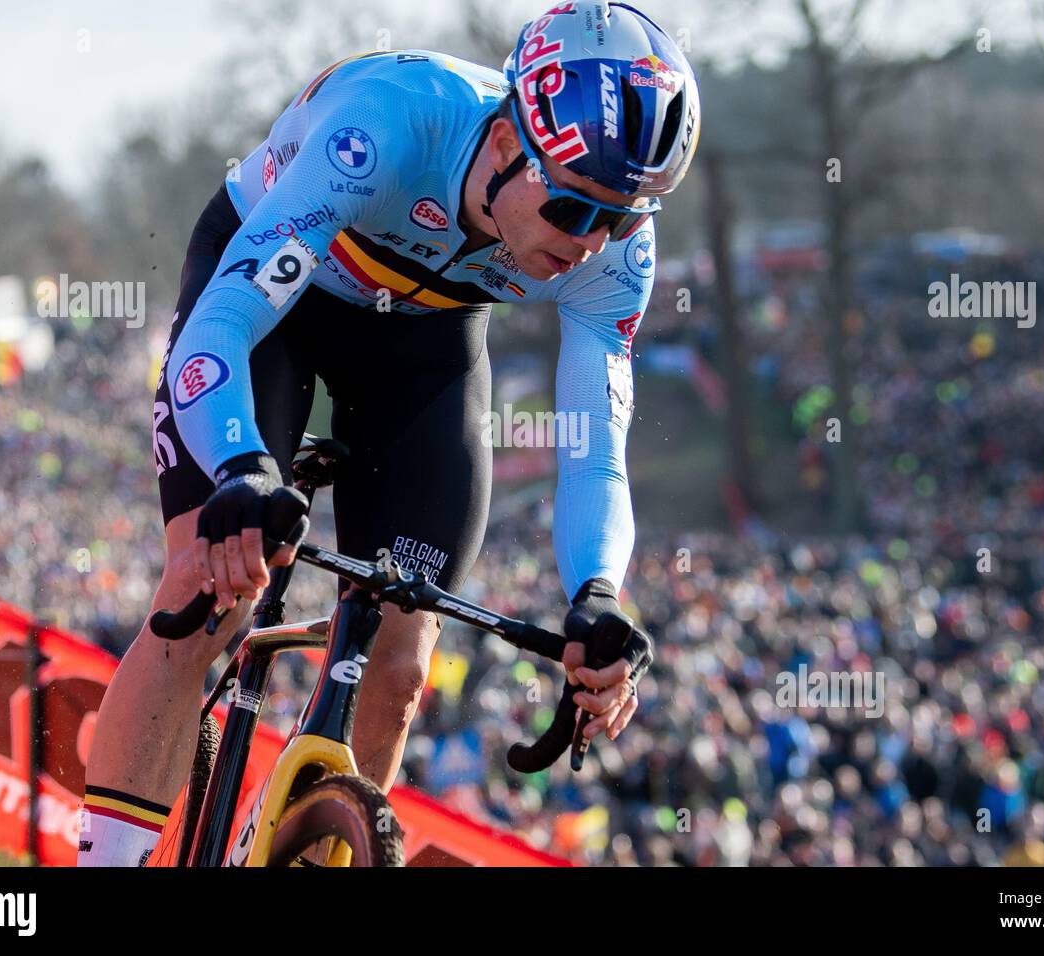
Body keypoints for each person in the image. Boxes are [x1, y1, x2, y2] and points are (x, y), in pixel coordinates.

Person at [79, 0, 699, 866]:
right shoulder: (387, 125)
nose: (595, 243)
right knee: (206, 588)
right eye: (571, 210)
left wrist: (598, 594)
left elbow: (597, 448)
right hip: (277, 303)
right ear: (507, 143)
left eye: (623, 218)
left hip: (427, 345)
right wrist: (242, 468)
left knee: (402, 659)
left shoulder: (618, 252)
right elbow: (222, 326)